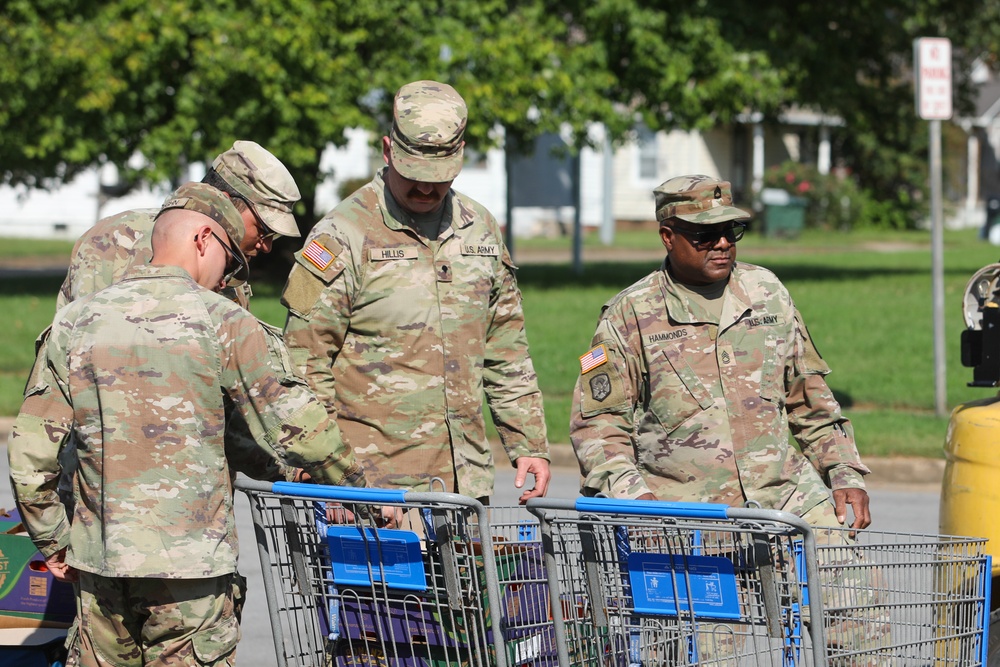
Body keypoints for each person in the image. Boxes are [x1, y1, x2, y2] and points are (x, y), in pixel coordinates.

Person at [8, 183, 370, 667]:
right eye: (231, 260)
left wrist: (54, 541)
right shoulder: (224, 322)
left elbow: (29, 459)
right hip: (191, 578)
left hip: (99, 569)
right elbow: (302, 429)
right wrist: (360, 493)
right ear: (203, 239)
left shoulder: (75, 322)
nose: (230, 277)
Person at [569, 174, 883, 664]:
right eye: (703, 234)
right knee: (702, 655)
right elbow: (597, 426)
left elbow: (811, 398)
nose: (721, 244)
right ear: (667, 235)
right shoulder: (627, 315)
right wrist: (640, 502)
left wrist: (844, 473)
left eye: (731, 232)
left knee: (860, 627)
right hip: (686, 521)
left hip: (786, 500)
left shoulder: (768, 293)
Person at [282, 80, 550, 503]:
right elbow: (304, 364)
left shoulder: (480, 229)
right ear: (388, 151)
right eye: (414, 176)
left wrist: (528, 445)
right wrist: (330, 477)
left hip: (464, 486)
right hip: (369, 492)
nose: (426, 189)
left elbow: (506, 350)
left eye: (439, 179)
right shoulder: (341, 235)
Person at [57, 140, 301, 310]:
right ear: (224, 204)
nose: (266, 246)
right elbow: (79, 347)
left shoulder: (230, 262)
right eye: (263, 229)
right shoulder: (114, 241)